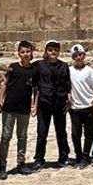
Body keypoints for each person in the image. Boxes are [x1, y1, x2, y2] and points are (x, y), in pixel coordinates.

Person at [0, 40, 37, 179]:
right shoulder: (12, 67)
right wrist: (1, 100)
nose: (25, 54)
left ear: (31, 53)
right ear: (19, 54)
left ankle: (21, 163)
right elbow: (4, 84)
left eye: (27, 52)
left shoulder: (34, 70)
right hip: (9, 107)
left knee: (22, 137)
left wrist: (35, 105)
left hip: (24, 108)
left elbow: (35, 89)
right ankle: (2, 166)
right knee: (6, 136)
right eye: (22, 52)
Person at [31, 40, 72, 171]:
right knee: (42, 133)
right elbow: (35, 86)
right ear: (46, 51)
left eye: (55, 49)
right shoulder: (39, 65)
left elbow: (68, 84)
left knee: (61, 132)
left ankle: (64, 157)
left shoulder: (64, 66)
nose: (53, 52)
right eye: (50, 49)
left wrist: (69, 100)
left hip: (60, 103)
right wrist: (34, 104)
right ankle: (39, 158)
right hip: (44, 103)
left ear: (59, 51)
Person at [66, 44, 93, 168]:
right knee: (75, 133)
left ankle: (85, 155)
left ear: (84, 55)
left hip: (88, 106)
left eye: (80, 55)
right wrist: (68, 95)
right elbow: (67, 85)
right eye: (75, 55)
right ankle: (78, 154)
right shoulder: (69, 70)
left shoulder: (90, 71)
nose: (78, 57)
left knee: (89, 134)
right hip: (75, 108)